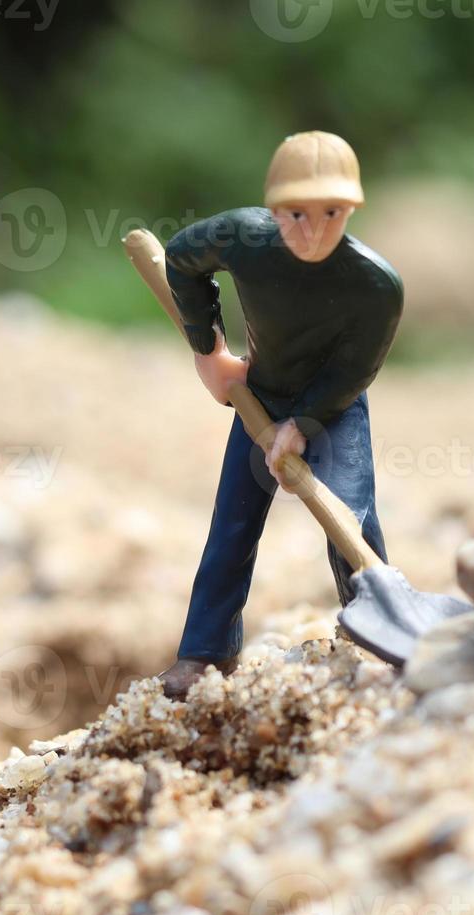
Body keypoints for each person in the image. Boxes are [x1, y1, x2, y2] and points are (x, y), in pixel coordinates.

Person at [155, 132, 401, 701]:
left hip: (333, 406)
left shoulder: (375, 284)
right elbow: (180, 260)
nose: (313, 230)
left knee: (350, 517)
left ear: (351, 209)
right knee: (232, 524)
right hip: (258, 396)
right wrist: (208, 349)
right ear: (273, 209)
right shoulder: (242, 237)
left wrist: (306, 423)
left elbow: (357, 368)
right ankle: (205, 652)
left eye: (331, 213)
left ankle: (384, 632)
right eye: (296, 213)